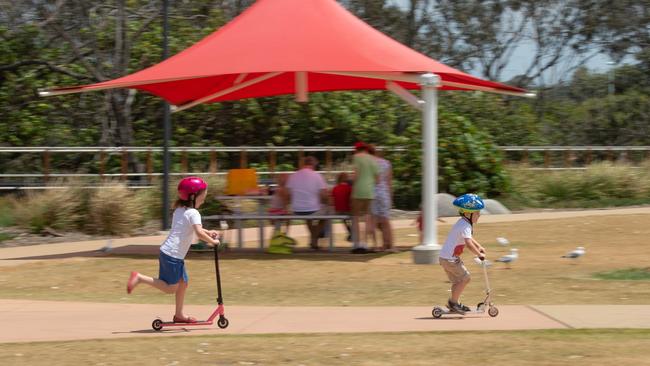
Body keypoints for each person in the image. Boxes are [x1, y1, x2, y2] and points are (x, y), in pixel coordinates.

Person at [126, 177, 220, 323]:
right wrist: (213, 241)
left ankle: (179, 315)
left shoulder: (180, 210)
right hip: (173, 255)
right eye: (203, 197)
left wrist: (208, 233)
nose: (204, 200)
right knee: (170, 288)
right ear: (193, 196)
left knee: (183, 283)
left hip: (170, 252)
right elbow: (198, 233)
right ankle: (139, 278)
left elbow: (194, 228)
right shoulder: (193, 213)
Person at [438, 193, 487, 315]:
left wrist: (479, 246)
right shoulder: (465, 225)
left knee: (458, 281)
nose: (479, 215)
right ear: (467, 213)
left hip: (445, 258)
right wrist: (478, 255)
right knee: (466, 278)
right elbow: (469, 244)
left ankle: (454, 303)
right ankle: (453, 303)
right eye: (477, 213)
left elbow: (469, 238)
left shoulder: (463, 222)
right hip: (450, 260)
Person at [286, 156, 328, 250]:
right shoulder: (317, 176)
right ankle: (314, 239)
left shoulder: (293, 175)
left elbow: (288, 194)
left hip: (296, 209)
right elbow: (324, 195)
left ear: (303, 163)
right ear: (314, 164)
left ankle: (313, 242)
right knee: (327, 215)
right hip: (312, 210)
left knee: (308, 217)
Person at [350, 142, 379, 253]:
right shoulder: (373, 159)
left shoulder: (356, 158)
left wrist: (351, 182)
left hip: (358, 189)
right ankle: (365, 243)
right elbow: (377, 179)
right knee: (367, 216)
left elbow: (355, 175)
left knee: (356, 217)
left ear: (357, 150)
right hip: (369, 191)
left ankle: (357, 244)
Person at [367, 144, 395, 252]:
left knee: (373, 220)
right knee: (385, 220)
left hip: (372, 193)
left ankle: (375, 245)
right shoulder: (386, 163)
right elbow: (389, 181)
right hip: (384, 193)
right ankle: (389, 245)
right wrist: (390, 196)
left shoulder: (368, 163)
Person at [330, 172, 353, 241]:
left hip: (338, 211)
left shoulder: (335, 188)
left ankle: (350, 232)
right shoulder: (349, 188)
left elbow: (332, 202)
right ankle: (352, 232)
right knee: (352, 217)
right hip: (347, 211)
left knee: (344, 219)